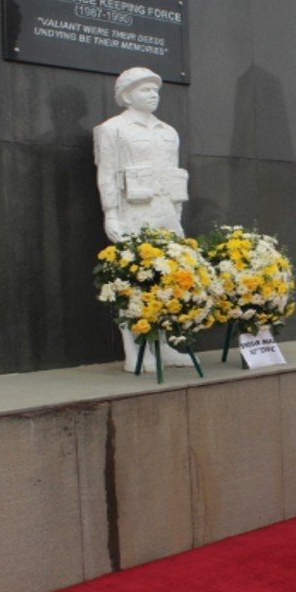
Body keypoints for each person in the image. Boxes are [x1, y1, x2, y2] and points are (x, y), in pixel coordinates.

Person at [94, 67, 194, 371]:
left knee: (169, 279)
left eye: (155, 90)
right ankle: (137, 350)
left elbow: (173, 174)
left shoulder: (168, 132)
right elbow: (107, 174)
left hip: (166, 213)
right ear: (126, 95)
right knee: (135, 280)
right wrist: (111, 213)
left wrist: (176, 212)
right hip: (134, 212)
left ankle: (164, 345)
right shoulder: (112, 129)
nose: (153, 95)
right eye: (144, 90)